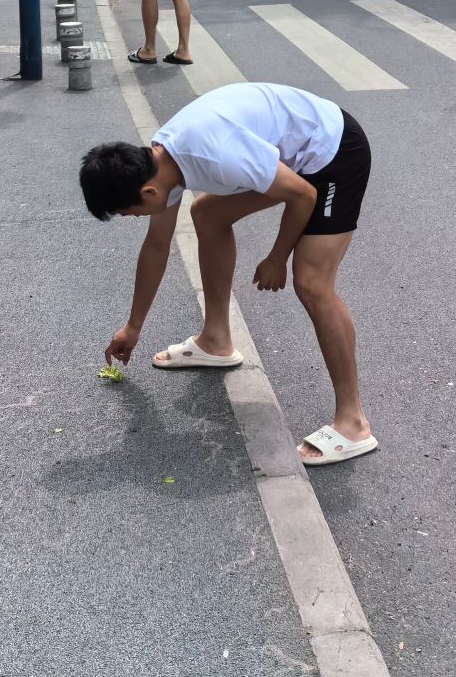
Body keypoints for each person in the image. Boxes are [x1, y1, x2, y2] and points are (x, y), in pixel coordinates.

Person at [81, 82, 377, 467]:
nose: (131, 217)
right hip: (291, 158)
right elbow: (156, 246)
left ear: (149, 193)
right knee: (207, 213)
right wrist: (133, 326)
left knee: (311, 282)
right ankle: (216, 340)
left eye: (128, 213)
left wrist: (277, 257)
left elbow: (303, 194)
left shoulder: (215, 154)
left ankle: (353, 422)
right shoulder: (160, 164)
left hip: (334, 153)